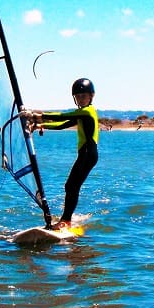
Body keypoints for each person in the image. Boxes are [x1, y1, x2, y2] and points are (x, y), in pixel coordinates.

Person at [23, 78, 99, 230]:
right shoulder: (81, 114)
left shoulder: (87, 112)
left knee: (72, 186)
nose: (80, 99)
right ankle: (67, 218)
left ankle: (66, 220)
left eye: (83, 96)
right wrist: (41, 125)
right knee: (71, 186)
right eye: (77, 97)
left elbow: (62, 116)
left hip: (88, 155)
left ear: (91, 96)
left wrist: (37, 114)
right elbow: (63, 124)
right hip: (85, 155)